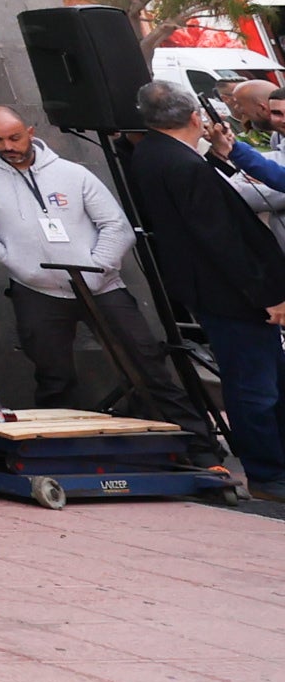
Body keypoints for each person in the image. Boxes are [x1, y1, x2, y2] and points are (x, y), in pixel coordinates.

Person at [115, 80, 285, 484]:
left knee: (270, 381)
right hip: (235, 296)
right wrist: (269, 296)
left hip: (219, 291)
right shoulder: (180, 163)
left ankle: (274, 464)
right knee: (255, 389)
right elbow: (224, 241)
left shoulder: (153, 154)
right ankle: (268, 473)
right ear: (195, 116)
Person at [0, 105, 162, 408]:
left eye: (14, 137)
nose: (8, 147)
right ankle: (66, 449)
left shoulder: (71, 172)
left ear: (30, 131)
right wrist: (9, 258)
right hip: (35, 288)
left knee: (145, 361)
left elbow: (116, 225)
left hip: (101, 284)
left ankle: (187, 442)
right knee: (53, 376)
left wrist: (97, 268)